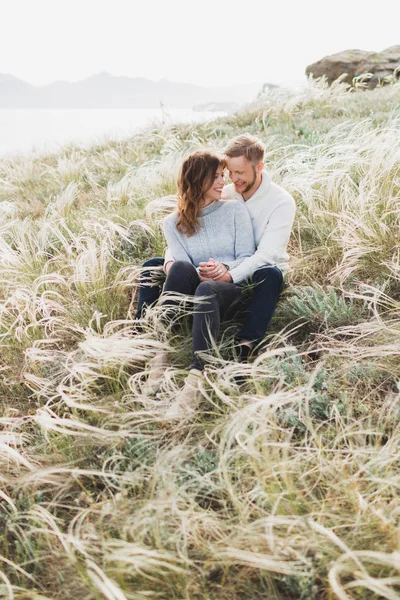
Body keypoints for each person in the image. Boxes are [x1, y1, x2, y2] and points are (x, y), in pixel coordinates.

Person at [135, 133, 296, 361]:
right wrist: (172, 261)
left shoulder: (281, 202)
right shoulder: (227, 191)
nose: (231, 179)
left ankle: (245, 347)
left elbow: (266, 254)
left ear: (259, 167)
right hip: (213, 269)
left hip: (256, 271)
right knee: (153, 265)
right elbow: (185, 232)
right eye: (229, 172)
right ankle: (143, 334)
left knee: (269, 274)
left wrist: (227, 274)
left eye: (239, 173)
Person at [146, 150, 255, 416]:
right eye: (216, 177)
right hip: (195, 290)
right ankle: (162, 351)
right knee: (182, 268)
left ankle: (196, 378)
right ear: (197, 181)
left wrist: (223, 268)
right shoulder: (173, 223)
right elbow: (181, 268)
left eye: (222, 176)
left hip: (231, 289)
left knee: (207, 287)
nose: (223, 182)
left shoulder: (234, 209)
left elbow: (248, 257)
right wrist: (202, 270)